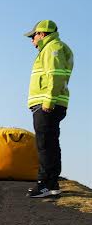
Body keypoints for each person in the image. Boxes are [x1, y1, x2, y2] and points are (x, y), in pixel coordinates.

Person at [25, 20, 74, 199]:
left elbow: (56, 75)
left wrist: (49, 101)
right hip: (48, 103)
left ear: (42, 34)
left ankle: (44, 184)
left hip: (47, 104)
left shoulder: (53, 48)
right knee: (50, 143)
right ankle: (52, 184)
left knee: (45, 144)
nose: (32, 40)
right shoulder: (50, 49)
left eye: (33, 35)